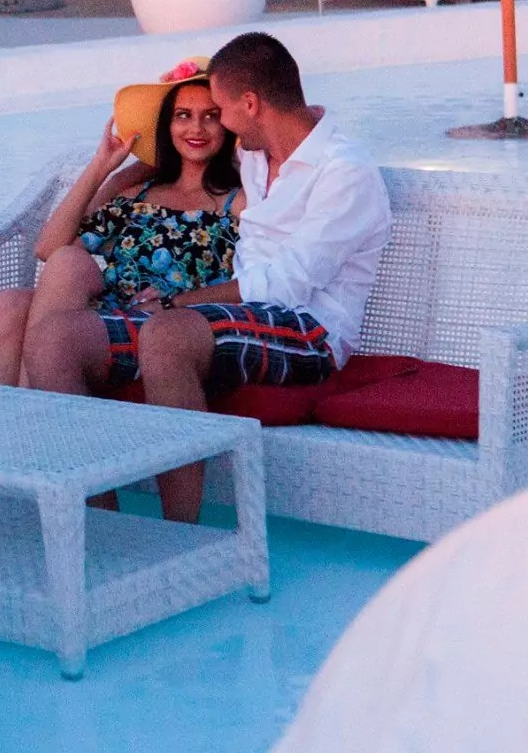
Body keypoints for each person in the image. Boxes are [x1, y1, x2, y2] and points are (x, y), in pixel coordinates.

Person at [21, 32, 391, 523]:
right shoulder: (258, 155)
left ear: (250, 105)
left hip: (309, 329)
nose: (221, 124)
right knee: (55, 339)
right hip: (232, 316)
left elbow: (286, 286)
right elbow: (188, 156)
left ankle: (180, 533)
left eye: (221, 110)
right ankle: (102, 522)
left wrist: (176, 303)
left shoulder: (343, 172)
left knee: (168, 333)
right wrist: (132, 158)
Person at [0, 58, 246, 519]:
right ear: (166, 126)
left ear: (227, 125)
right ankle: (35, 451)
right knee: (13, 302)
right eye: (183, 115)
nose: (196, 128)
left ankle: (39, 453)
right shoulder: (138, 192)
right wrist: (104, 167)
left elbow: (261, 278)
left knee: (62, 286)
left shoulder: (237, 201)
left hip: (162, 324)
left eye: (210, 116)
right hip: (108, 313)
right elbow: (48, 248)